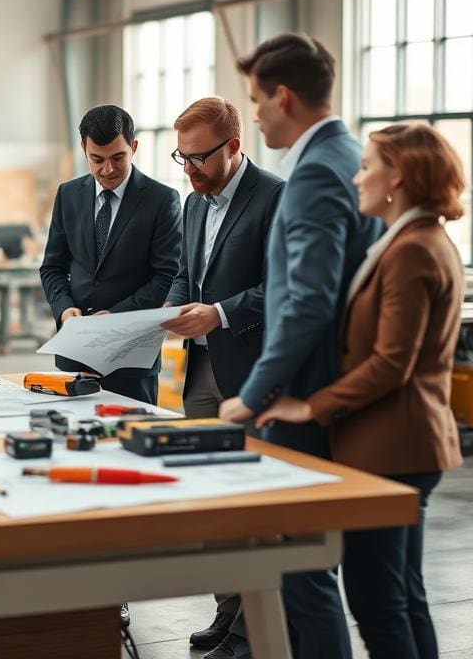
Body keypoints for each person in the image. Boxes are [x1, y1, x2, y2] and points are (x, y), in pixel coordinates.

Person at [256, 123, 465, 659]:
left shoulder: (414, 250)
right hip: (405, 443)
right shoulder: (411, 240)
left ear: (400, 178)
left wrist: (311, 405)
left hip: (395, 446)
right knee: (401, 595)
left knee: (378, 603)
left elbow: (393, 362)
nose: (358, 176)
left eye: (370, 166)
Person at [218, 33, 381, 659]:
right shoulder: (349, 154)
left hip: (301, 391)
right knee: (332, 574)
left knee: (298, 569)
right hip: (336, 386)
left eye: (257, 100)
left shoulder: (313, 172)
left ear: (284, 97)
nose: (254, 114)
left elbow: (307, 300)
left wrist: (254, 394)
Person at [160, 97, 283, 659]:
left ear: (234, 147)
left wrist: (222, 312)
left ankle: (251, 630)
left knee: (251, 502)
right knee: (212, 501)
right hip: (201, 371)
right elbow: (187, 275)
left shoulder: (274, 198)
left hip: (252, 373)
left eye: (200, 158)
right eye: (181, 158)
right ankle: (228, 610)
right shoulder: (193, 202)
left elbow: (281, 287)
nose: (189, 169)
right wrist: (164, 315)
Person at [40, 104, 182, 405]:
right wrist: (65, 309)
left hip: (133, 357)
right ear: (84, 149)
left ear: (134, 146)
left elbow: (167, 276)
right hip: (76, 353)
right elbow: (53, 267)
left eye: (118, 157)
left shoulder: (162, 200)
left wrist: (114, 317)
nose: (108, 170)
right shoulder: (68, 195)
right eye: (97, 159)